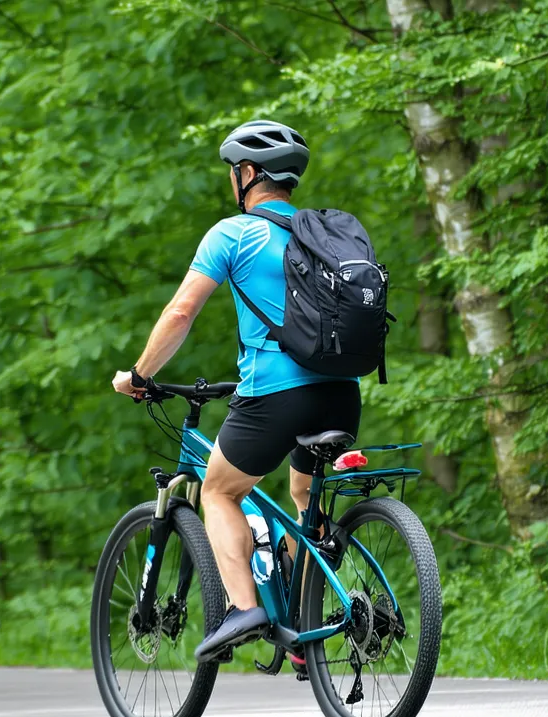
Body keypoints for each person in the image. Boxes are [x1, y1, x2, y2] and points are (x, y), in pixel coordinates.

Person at [110, 120, 362, 663]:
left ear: (247, 174)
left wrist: (139, 374)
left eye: (234, 172)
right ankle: (302, 623)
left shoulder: (234, 233)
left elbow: (180, 312)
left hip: (275, 396)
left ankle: (245, 608)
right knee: (302, 498)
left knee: (219, 491)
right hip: (343, 393)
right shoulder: (322, 234)